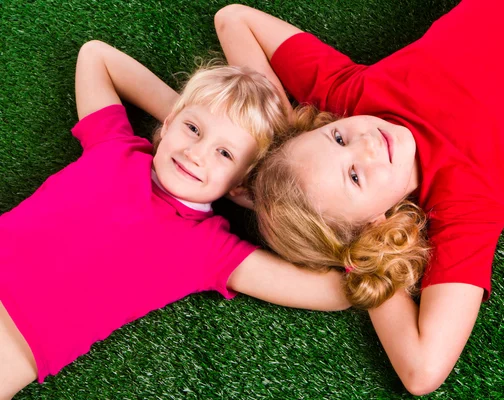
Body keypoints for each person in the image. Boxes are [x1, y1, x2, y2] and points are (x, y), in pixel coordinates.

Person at [214, 0, 504, 394]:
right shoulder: (466, 206)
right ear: (371, 222)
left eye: (338, 137)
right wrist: (366, 253)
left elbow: (233, 18)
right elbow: (421, 372)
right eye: (354, 176)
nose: (364, 143)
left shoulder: (350, 97)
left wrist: (274, 146)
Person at [0, 40, 349, 399]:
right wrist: (191, 111)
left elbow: (333, 292)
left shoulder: (209, 247)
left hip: (14, 347)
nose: (195, 153)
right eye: (193, 129)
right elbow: (96, 56)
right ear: (168, 122)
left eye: (225, 153)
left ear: (242, 185)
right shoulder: (115, 146)